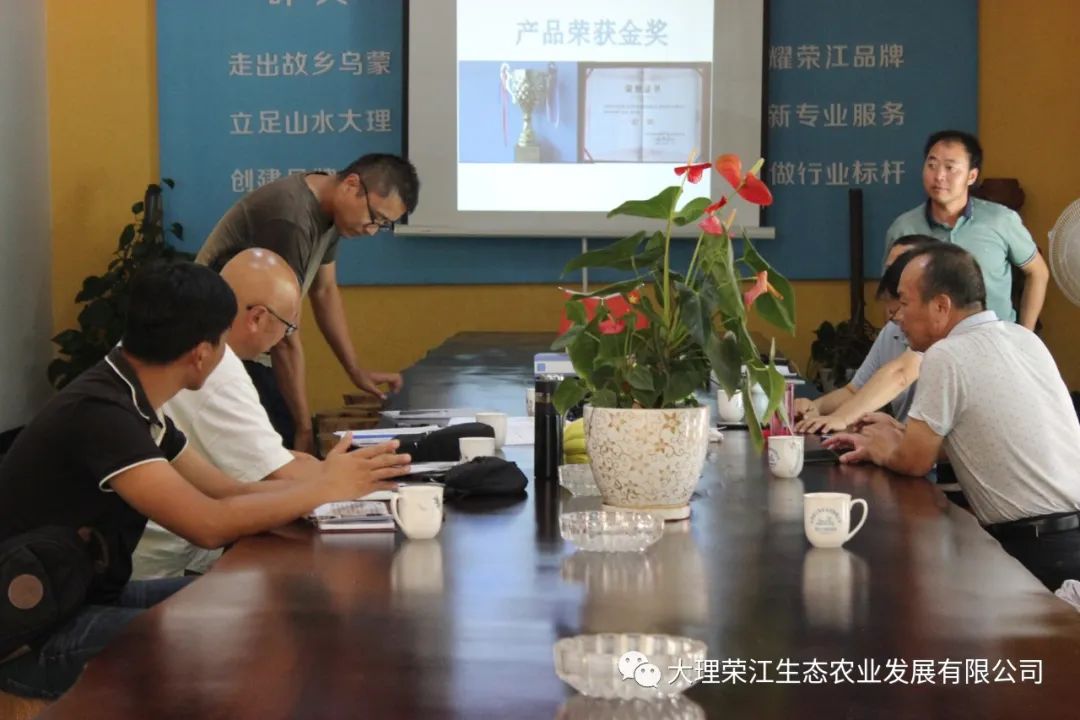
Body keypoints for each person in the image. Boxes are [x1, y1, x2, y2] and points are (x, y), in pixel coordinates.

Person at [0, 262, 411, 699]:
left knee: (264, 598)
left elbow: (226, 490)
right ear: (200, 354)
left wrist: (333, 482)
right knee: (241, 636)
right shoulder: (103, 413)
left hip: (79, 596)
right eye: (222, 344)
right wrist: (324, 488)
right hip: (31, 634)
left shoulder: (134, 398)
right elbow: (207, 524)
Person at [824, 245, 1080, 591]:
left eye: (904, 302)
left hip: (1037, 552)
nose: (897, 316)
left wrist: (880, 449)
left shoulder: (947, 354)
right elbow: (986, 438)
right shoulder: (1024, 338)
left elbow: (914, 462)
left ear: (941, 306)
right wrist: (901, 433)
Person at [196, 153, 421, 453]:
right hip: (219, 346)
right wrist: (303, 428)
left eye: (382, 225)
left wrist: (355, 370)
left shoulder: (330, 209)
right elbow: (283, 336)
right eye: (375, 217)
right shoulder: (292, 220)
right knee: (278, 445)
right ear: (352, 185)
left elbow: (325, 291)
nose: (371, 230)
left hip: (253, 344)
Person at [132, 249, 322, 579]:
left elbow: (234, 485)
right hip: (154, 568)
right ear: (257, 317)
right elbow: (273, 480)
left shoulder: (175, 346)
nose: (284, 340)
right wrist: (339, 482)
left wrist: (323, 475)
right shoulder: (216, 370)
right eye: (288, 327)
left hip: (162, 550)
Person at [884, 130, 1048, 330]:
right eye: (932, 165)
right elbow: (890, 294)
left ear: (972, 176)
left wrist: (1024, 334)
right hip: (925, 344)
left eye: (950, 168)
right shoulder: (903, 228)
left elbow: (1038, 272)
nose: (939, 176)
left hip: (994, 340)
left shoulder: (1001, 220)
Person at [796, 235, 938, 434]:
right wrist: (814, 408)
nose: (892, 276)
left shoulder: (940, 329)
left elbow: (900, 374)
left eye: (902, 266)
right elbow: (854, 391)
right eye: (889, 269)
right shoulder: (892, 330)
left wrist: (840, 418)